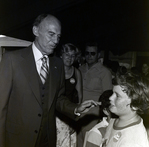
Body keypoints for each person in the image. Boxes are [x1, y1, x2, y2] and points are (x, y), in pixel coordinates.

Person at [0, 14, 99, 147]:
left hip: (47, 139)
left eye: (58, 36)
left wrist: (76, 108)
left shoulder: (57, 64)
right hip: (18, 139)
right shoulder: (12, 60)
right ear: (36, 31)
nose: (55, 41)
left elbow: (58, 98)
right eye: (51, 34)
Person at [102, 70, 149, 147]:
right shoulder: (114, 119)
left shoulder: (133, 141)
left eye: (117, 96)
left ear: (135, 105)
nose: (110, 98)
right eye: (112, 93)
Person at [78, 42, 112, 146]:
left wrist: (102, 119)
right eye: (87, 53)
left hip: (93, 115)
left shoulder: (104, 72)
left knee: (88, 143)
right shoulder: (80, 69)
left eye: (92, 53)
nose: (89, 56)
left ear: (98, 55)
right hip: (78, 114)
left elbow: (107, 97)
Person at [56, 43, 82, 147]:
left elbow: (80, 96)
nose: (69, 58)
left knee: (70, 142)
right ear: (61, 55)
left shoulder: (76, 72)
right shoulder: (55, 70)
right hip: (57, 113)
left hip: (70, 112)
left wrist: (77, 116)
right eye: (67, 55)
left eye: (72, 56)